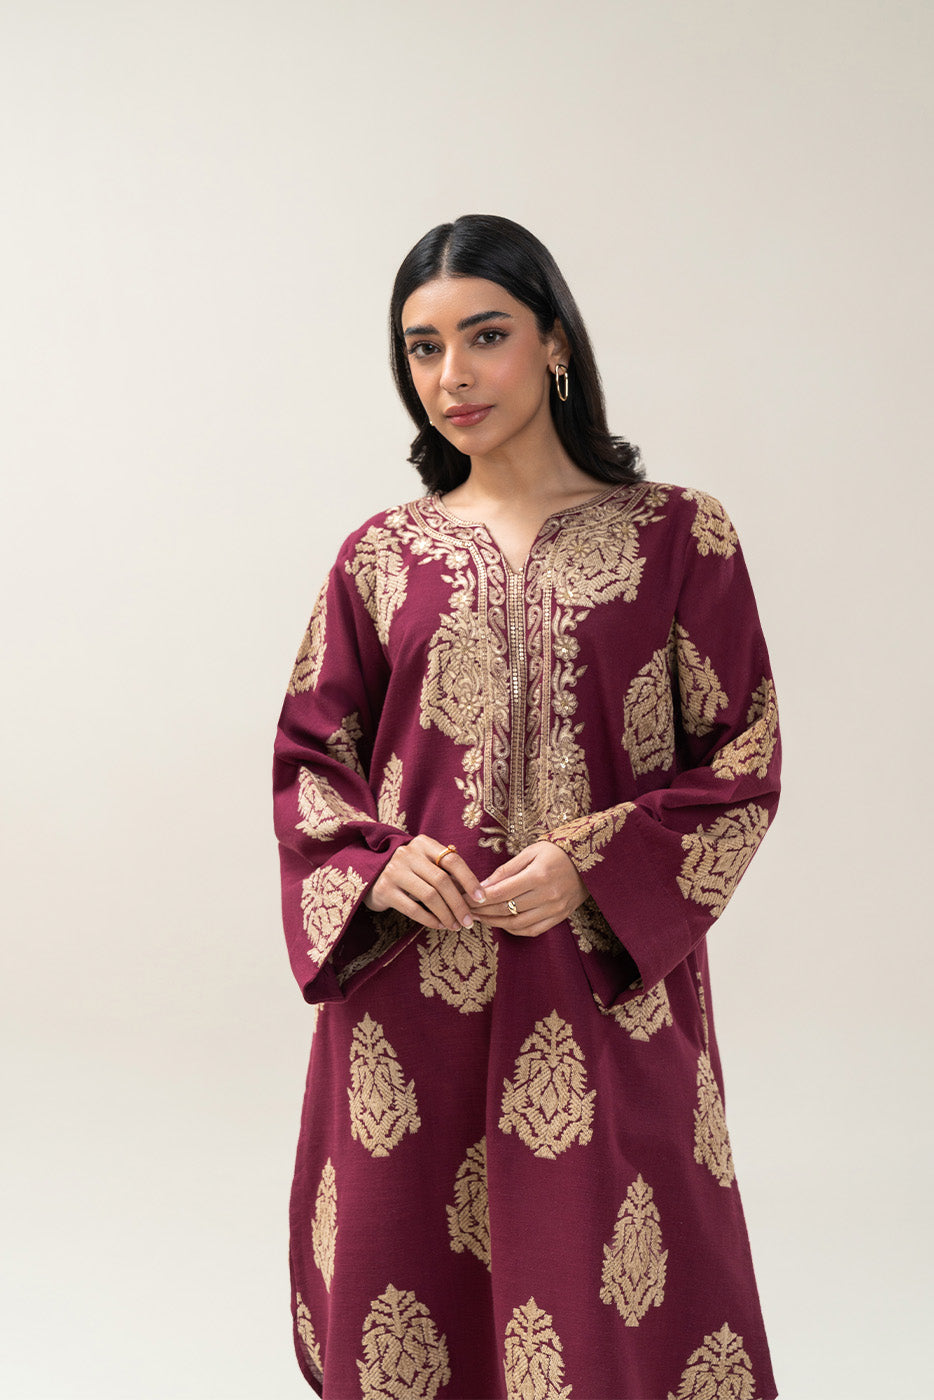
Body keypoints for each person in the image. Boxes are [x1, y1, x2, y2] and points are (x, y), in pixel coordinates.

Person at [273, 214, 781, 1400]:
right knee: (412, 1291)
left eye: (486, 335)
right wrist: (374, 865)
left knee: (610, 1299)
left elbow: (741, 757)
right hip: (409, 990)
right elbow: (309, 760)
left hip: (601, 984)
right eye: (423, 347)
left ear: (553, 341)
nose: (452, 375)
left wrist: (593, 864)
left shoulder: (678, 536)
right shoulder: (377, 558)